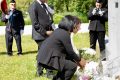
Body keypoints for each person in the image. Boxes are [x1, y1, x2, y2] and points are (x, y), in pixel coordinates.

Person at [37, 15, 86, 80]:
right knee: (72, 66)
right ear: (73, 25)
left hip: (45, 57)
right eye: (79, 26)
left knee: (69, 64)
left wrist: (77, 60)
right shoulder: (64, 34)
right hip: (48, 58)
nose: (79, 29)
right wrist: (80, 60)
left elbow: (67, 52)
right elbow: (70, 52)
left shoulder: (60, 31)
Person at [28, 0, 54, 77]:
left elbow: (49, 17)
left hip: (48, 32)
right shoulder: (33, 6)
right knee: (48, 52)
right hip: (40, 35)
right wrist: (45, 32)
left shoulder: (44, 5)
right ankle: (49, 73)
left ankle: (39, 72)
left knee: (42, 52)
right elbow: (35, 24)